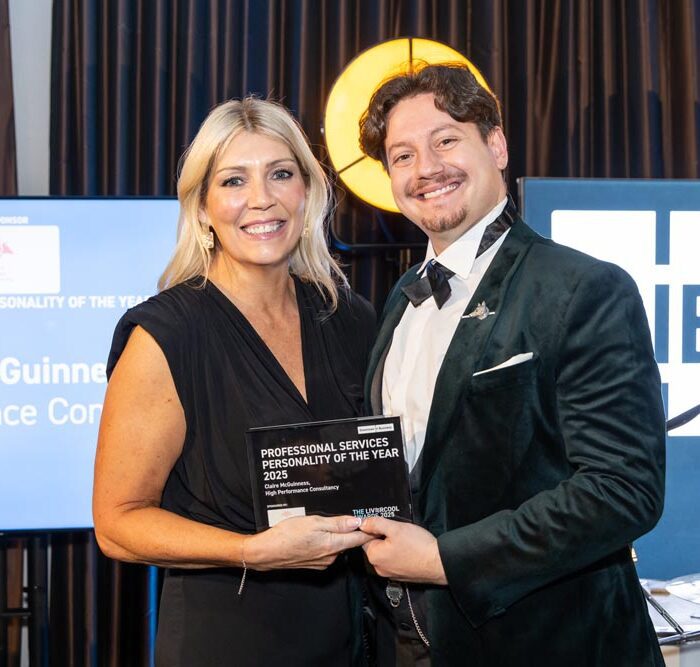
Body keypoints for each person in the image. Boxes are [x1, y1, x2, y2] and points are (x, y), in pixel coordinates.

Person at [356, 64, 666, 666]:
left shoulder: (583, 288)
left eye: (446, 140)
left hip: (553, 644)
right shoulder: (400, 299)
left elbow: (623, 491)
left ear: (496, 146)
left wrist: (443, 560)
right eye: (402, 156)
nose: (426, 169)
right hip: (413, 645)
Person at [92, 97, 376, 666]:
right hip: (227, 640)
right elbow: (118, 524)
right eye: (233, 180)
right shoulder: (167, 335)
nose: (261, 199)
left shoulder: (350, 318)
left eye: (281, 174)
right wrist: (252, 551)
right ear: (202, 208)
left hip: (354, 638)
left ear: (307, 192)